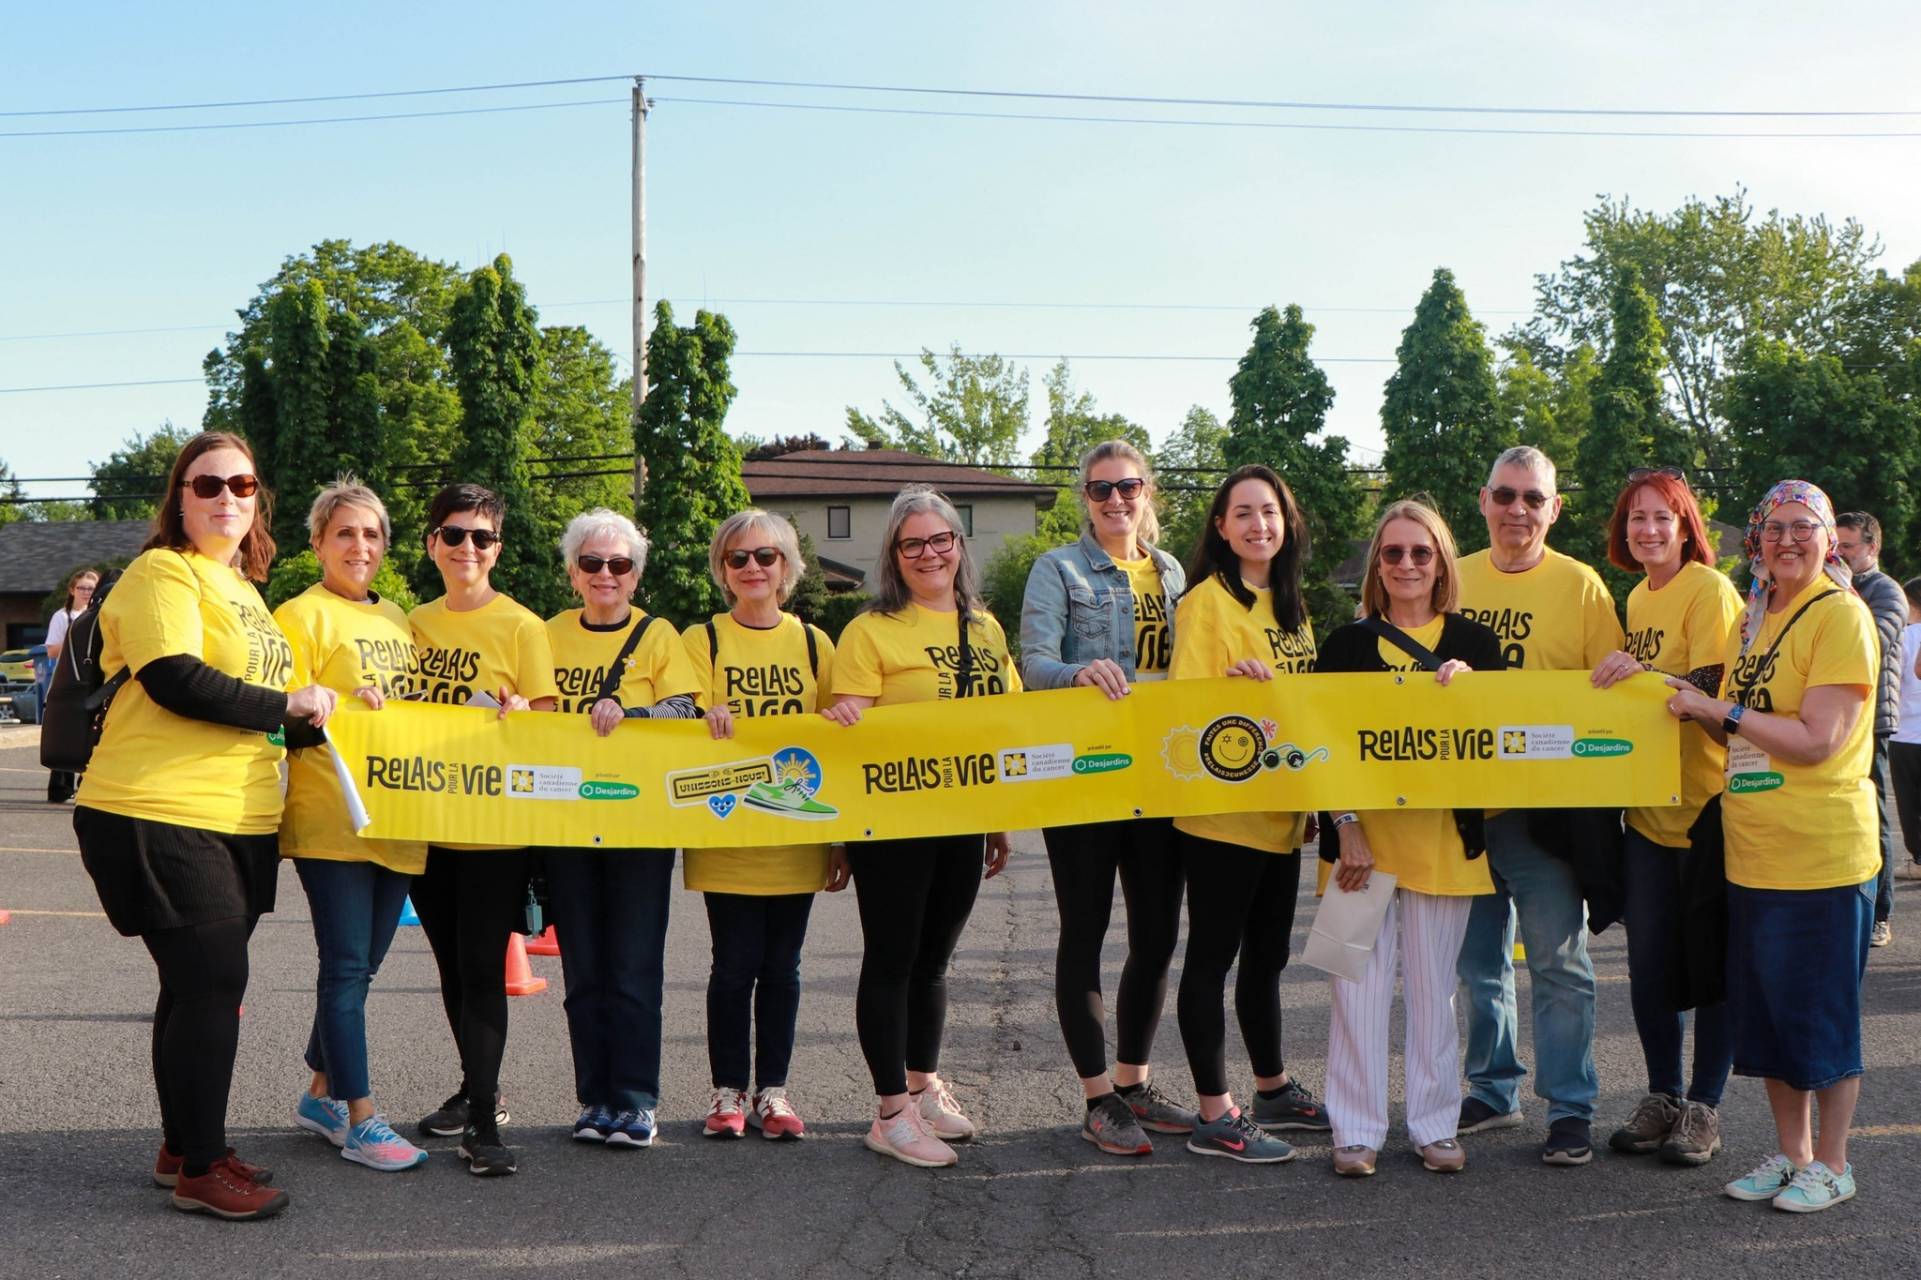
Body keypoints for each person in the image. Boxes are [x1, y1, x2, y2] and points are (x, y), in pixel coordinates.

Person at [73, 430, 336, 1220]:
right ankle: (200, 1168)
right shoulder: (162, 572)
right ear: (179, 499)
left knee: (193, 986)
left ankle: (183, 1144)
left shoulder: (249, 595)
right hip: (157, 808)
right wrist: (286, 705)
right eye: (208, 483)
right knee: (215, 983)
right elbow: (176, 680)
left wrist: (323, 722)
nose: (227, 496)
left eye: (243, 485)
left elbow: (260, 714)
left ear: (258, 501)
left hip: (240, 814)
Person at [1663, 479, 1878, 1214]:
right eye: (1772, 529)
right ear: (1753, 539)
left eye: (1801, 527)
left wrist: (1715, 707)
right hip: (1750, 852)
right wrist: (1659, 693)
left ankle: (1835, 1163)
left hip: (1819, 855)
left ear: (1826, 538)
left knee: (1818, 1017)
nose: (1786, 541)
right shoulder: (1752, 619)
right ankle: (1792, 1155)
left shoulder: (1838, 616)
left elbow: (1819, 740)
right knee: (1768, 1018)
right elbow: (1736, 724)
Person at [823, 485, 1019, 1168]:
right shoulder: (870, 631)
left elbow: (1007, 724)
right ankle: (888, 1113)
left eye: (941, 540)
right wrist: (846, 721)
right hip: (892, 821)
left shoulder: (986, 627)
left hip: (962, 817)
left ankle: (920, 1083)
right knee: (891, 960)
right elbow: (848, 730)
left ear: (959, 547)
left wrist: (996, 818)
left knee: (934, 961)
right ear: (894, 557)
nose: (929, 553)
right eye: (913, 544)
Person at [1315, 499, 1504, 1177]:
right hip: (1357, 843)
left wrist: (1474, 694)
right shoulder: (1342, 645)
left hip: (1442, 842)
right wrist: (1346, 824)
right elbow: (1320, 746)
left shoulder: (1478, 647)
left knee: (1433, 993)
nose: (1405, 565)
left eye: (1419, 553)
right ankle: (1355, 1132)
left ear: (1441, 563)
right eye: (1392, 553)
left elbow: (1499, 743)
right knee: (1353, 992)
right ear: (1376, 565)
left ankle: (1433, 1125)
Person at [1019, 440, 1195, 1157]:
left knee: (1155, 934)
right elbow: (1032, 664)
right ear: (1083, 499)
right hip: (1086, 776)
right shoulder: (1056, 569)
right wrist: (1076, 672)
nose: (1115, 500)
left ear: (1147, 490)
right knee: (1084, 933)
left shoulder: (1174, 572)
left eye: (1127, 487)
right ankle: (1096, 1098)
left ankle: (1132, 1085)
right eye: (1100, 490)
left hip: (1160, 776)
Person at [1453, 445, 1623, 1166]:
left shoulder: (1582, 588)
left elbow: (1611, 700)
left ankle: (1569, 1107)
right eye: (1504, 496)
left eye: (1532, 499)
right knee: (1476, 966)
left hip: (1546, 815)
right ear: (1483, 500)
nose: (1516, 511)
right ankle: (1492, 1090)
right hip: (1461, 808)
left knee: (1557, 962)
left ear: (1554, 508)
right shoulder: (1447, 577)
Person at [274, 477, 430, 1173]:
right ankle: (361, 1116)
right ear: (318, 543)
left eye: (370, 534)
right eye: (345, 533)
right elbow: (280, 723)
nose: (359, 546)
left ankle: (317, 1093)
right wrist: (337, 706)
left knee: (361, 968)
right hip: (330, 821)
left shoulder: (399, 617)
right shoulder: (299, 615)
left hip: (399, 817)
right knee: (343, 967)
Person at [1169, 463, 1321, 1165]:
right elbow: (1189, 714)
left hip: (1280, 816)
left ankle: (1271, 1088)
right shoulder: (1206, 603)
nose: (1259, 524)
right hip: (1224, 817)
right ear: (1220, 527)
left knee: (1267, 960)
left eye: (1270, 512)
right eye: (1244, 513)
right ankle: (1213, 1113)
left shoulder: (1293, 606)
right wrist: (1227, 690)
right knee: (1212, 959)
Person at [1589, 468, 1742, 1167]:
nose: (1646, 529)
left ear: (1686, 526)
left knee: (1711, 965)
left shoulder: (1707, 590)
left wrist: (1645, 679)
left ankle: (1703, 1108)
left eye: (1661, 517)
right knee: (1648, 966)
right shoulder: (1633, 594)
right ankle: (1661, 1097)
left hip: (1709, 806)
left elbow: (1716, 697)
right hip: (1647, 812)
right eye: (1634, 519)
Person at [408, 483, 559, 1177]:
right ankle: (476, 1087)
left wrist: (523, 711)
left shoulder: (524, 627)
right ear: (432, 542)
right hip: (428, 823)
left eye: (482, 537)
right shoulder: (412, 623)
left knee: (480, 970)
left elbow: (549, 729)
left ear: (497, 549)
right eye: (454, 533)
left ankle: (483, 1123)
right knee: (449, 968)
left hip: (495, 829)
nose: (467, 546)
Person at [685, 509, 848, 1142]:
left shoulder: (815, 643)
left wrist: (840, 837)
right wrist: (704, 715)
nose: (752, 567)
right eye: (738, 558)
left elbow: (838, 748)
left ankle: (773, 1093)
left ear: (787, 567)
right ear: (723, 570)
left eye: (766, 557)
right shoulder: (702, 640)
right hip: (727, 834)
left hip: (796, 833)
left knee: (784, 968)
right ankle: (727, 1092)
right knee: (732, 968)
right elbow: (677, 719)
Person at [545, 508, 701, 1150]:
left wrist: (629, 710)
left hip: (639, 821)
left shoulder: (659, 635)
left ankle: (634, 1099)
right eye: (592, 563)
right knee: (584, 969)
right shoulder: (545, 632)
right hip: (567, 823)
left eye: (619, 564)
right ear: (574, 574)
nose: (605, 574)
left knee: (634, 965)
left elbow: (684, 705)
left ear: (635, 576)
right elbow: (528, 703)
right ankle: (594, 1098)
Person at [1834, 511, 1904, 947]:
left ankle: (1881, 913)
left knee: (1875, 817)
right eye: (1834, 547)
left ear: (1872, 548)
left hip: (1871, 720)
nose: (1838, 556)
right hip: (1831, 718)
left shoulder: (1886, 591)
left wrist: (1840, 594)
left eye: (1848, 548)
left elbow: (1868, 646)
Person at [43, 567, 99, 803]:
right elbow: (52, 650)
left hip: (94, 681)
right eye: (82, 588)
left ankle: (87, 785)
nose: (86, 592)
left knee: (93, 734)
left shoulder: (100, 615)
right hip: (68, 681)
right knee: (66, 733)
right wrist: (74, 637)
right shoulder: (63, 616)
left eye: (91, 588)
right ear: (72, 590)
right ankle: (60, 788)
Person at [1889, 578, 1921, 885]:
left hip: (1907, 734)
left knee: (1911, 804)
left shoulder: (1905, 638)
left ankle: (1919, 859)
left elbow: (1893, 684)